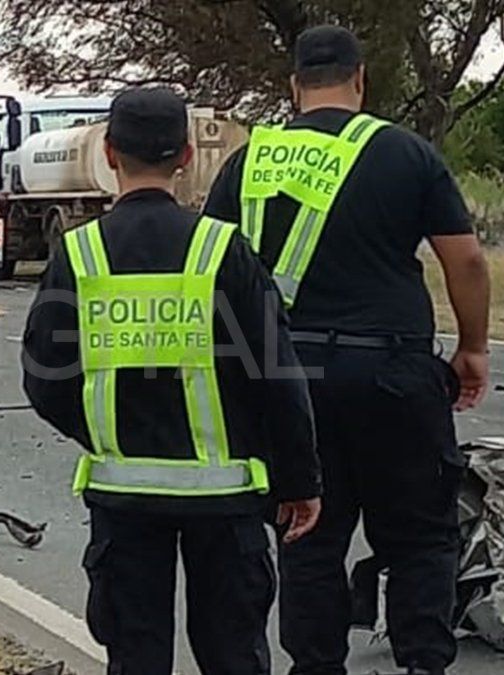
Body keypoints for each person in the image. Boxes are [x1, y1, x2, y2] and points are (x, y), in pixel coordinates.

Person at [203, 25, 491, 675]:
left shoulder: (249, 161)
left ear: (293, 86)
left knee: (308, 536)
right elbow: (466, 259)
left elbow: (213, 265)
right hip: (391, 371)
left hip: (288, 377)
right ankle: (422, 662)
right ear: (360, 79)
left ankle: (316, 666)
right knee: (421, 534)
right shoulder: (403, 153)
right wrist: (472, 347)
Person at [23, 87, 322, 674]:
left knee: (135, 656)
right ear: (186, 156)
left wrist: (108, 433)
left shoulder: (80, 253)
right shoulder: (222, 248)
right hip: (226, 498)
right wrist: (299, 479)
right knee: (233, 654)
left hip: (125, 499)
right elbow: (277, 375)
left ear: (109, 154)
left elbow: (45, 380)